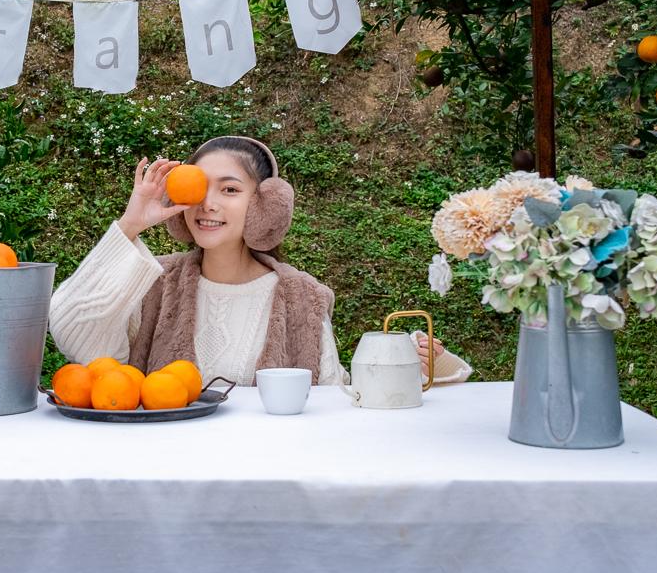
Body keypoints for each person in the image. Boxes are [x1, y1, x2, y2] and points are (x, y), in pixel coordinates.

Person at [49, 135, 471, 386]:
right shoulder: (155, 284)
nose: (208, 204)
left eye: (230, 190)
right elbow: (74, 336)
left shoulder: (301, 297)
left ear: (264, 205)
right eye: (199, 188)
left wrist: (426, 364)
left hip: (272, 482)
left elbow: (335, 393)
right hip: (167, 476)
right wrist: (130, 225)